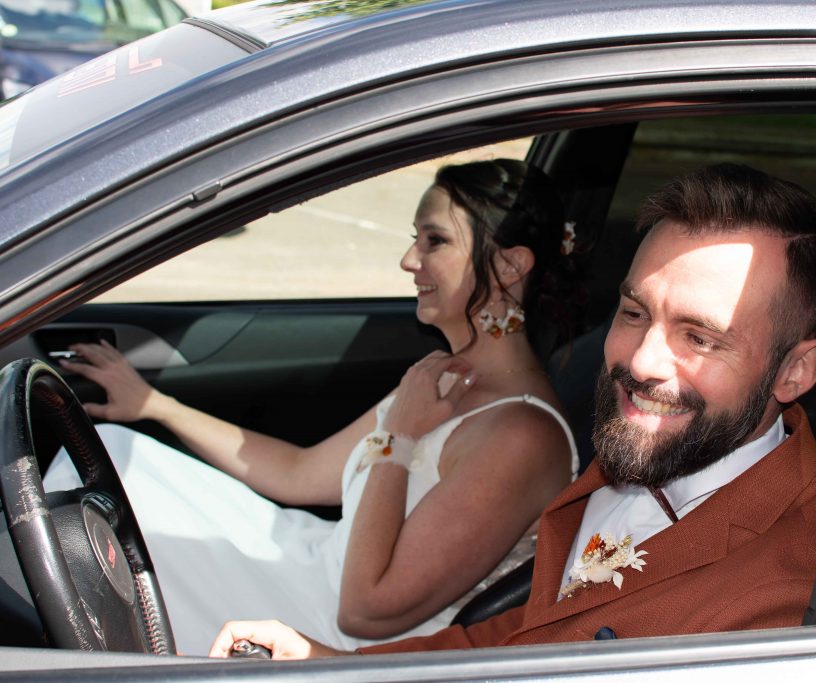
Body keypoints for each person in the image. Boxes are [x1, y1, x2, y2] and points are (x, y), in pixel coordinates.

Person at [207, 162, 816, 658]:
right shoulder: (657, 450)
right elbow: (517, 636)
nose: (641, 361)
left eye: (699, 337)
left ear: (795, 371)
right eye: (634, 313)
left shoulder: (785, 604)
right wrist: (328, 664)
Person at [43, 159, 582, 655]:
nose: (408, 259)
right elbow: (297, 473)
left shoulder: (522, 435)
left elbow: (367, 612)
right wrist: (154, 404)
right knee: (112, 464)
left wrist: (399, 439)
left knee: (77, 543)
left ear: (510, 265)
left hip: (327, 635)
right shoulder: (436, 379)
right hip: (309, 563)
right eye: (414, 238)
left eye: (434, 240)